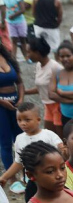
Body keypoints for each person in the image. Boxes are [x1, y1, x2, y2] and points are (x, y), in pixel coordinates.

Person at [1, 102, 63, 199]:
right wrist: (4, 177)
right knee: (31, 201)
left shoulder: (49, 135)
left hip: (52, 179)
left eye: (27, 120)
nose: (22, 123)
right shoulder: (19, 139)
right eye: (19, 120)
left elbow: (62, 152)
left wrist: (63, 149)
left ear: (38, 120)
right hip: (33, 181)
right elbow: (19, 162)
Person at [25, 36, 62, 137]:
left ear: (37, 52)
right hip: (48, 106)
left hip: (57, 106)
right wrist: (24, 92)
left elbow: (63, 87)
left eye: (29, 52)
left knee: (61, 138)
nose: (27, 55)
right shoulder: (38, 65)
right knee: (49, 136)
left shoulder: (55, 67)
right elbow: (41, 88)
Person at [49, 41, 73, 126]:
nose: (65, 59)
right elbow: (51, 94)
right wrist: (71, 100)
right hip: (65, 115)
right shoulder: (56, 73)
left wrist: (62, 93)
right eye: (62, 56)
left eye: (68, 56)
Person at [0, 44, 23, 174]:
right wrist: (1, 101)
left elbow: (19, 82)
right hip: (0, 106)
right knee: (5, 141)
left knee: (21, 137)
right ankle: (11, 176)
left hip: (15, 102)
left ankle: (27, 171)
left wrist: (20, 99)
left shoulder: (8, 57)